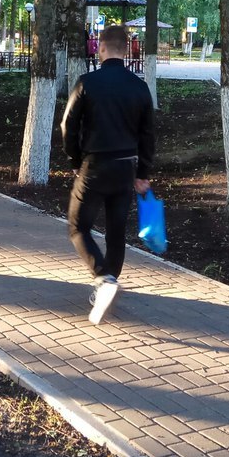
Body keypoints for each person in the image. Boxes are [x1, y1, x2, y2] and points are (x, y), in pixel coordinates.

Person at [61, 24, 156, 324]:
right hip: (125, 169)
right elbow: (148, 134)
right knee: (116, 233)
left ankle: (104, 279)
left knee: (78, 227)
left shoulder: (87, 83)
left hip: (94, 166)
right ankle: (108, 282)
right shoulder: (140, 87)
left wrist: (74, 159)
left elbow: (68, 125)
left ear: (100, 48)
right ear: (126, 51)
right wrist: (142, 172)